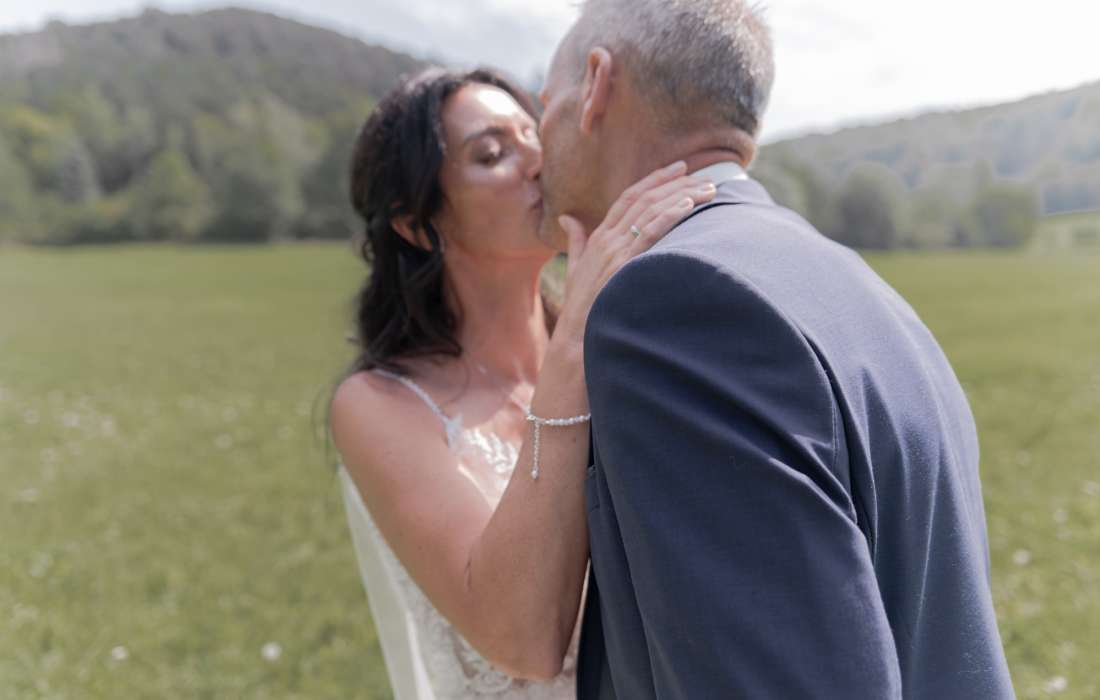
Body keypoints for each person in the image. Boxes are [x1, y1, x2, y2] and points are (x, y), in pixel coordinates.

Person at [534, 1, 1016, 698]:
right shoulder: (858, 283)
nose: (536, 136)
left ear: (597, 85)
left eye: (544, 102)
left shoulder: (674, 305)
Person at [328, 67, 717, 699]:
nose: (537, 161)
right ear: (414, 223)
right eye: (491, 154)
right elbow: (522, 642)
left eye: (532, 135)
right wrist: (577, 336)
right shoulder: (379, 405)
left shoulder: (621, 352)